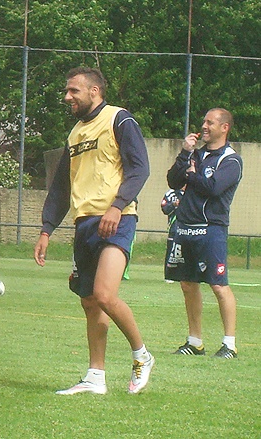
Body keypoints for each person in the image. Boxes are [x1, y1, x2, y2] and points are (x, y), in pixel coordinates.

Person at [34, 67, 155, 395]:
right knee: (90, 302)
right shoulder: (74, 134)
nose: (67, 96)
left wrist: (117, 206)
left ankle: (142, 356)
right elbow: (61, 187)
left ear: (95, 91)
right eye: (67, 90)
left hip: (117, 219)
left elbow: (139, 168)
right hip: (84, 224)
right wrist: (46, 229)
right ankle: (95, 377)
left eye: (73, 90)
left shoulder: (120, 119)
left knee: (104, 294)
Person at [165, 108, 242, 359]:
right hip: (185, 226)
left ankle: (229, 344)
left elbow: (213, 188)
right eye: (204, 122)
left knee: (218, 285)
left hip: (211, 230)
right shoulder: (195, 154)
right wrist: (185, 154)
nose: (204, 126)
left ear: (224, 127)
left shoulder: (231, 160)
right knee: (188, 284)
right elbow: (173, 181)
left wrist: (192, 174)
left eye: (210, 123)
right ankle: (195, 341)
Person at [161, 188, 184, 283]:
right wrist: (174, 205)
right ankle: (169, 275)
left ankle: (189, 275)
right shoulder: (171, 194)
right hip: (174, 228)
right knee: (171, 250)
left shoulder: (194, 191)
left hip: (189, 228)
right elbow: (165, 209)